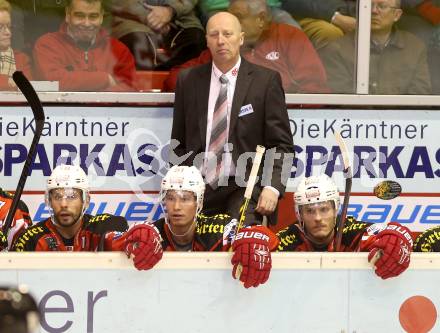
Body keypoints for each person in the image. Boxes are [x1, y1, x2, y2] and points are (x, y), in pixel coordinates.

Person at [170, 12, 294, 225]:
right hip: (197, 185)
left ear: (241, 38)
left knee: (241, 242)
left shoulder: (265, 82)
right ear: (207, 41)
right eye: (214, 34)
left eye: (228, 34)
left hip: (244, 186)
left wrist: (272, 187)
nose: (221, 40)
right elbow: (178, 144)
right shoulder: (188, 81)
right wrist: (179, 186)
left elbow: (281, 144)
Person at [144, 165, 278, 288]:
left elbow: (272, 240)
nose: (177, 207)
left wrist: (255, 238)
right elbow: (125, 243)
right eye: (171, 198)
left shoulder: (218, 228)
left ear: (199, 201)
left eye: (185, 199)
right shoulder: (150, 233)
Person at [10, 164, 163, 271]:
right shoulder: (30, 239)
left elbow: (120, 239)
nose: (64, 204)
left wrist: (145, 233)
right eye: (57, 196)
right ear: (48, 201)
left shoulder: (103, 225)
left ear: (86, 200)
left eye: (72, 196)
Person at [164, 0, 328, 93]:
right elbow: (174, 80)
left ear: (261, 19)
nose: (231, 24)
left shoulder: (289, 36)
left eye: (239, 18)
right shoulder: (227, 43)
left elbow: (316, 88)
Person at [277, 174, 413, 279]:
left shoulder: (350, 230)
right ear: (299, 215)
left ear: (336, 209)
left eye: (324, 209)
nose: (318, 218)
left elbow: (391, 232)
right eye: (310, 211)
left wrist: (398, 237)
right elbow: (265, 243)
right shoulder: (289, 237)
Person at [319, 0, 431, 94]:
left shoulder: (415, 47)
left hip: (402, 119)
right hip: (356, 119)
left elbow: (420, 96)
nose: (373, 11)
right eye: (368, 6)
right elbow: (340, 99)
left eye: (382, 6)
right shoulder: (336, 48)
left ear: (397, 15)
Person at [32, 0, 137, 91]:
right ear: (68, 15)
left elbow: (130, 90)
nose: (87, 23)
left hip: (105, 114)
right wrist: (104, 79)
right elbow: (51, 83)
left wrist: (75, 83)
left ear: (101, 17)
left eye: (93, 16)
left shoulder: (119, 50)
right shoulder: (47, 45)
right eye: (80, 16)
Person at [106, 0, 206, 70]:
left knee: (196, 41)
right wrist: (155, 18)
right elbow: (121, 3)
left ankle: (175, 83)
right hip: (133, 20)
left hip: (181, 18)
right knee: (140, 45)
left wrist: (170, 11)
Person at [0, 0, 32, 90]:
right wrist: (8, 82)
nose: (8, 33)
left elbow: (28, 89)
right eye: (0, 27)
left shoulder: (22, 59)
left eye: (9, 26)